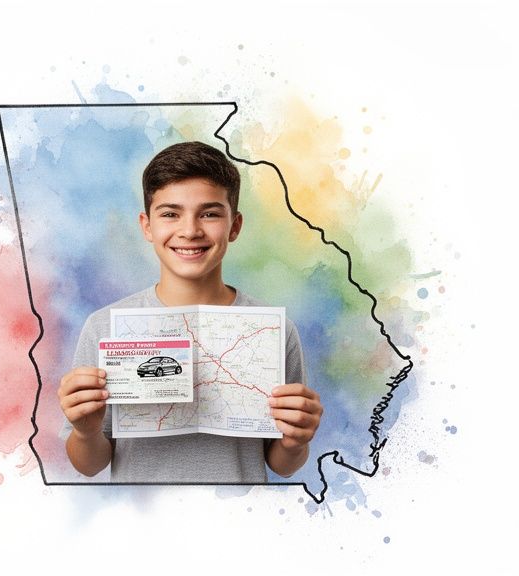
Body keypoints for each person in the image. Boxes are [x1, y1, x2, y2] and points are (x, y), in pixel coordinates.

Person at [57, 141, 323, 482]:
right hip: (140, 521)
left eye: (210, 213)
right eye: (170, 213)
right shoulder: (104, 327)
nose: (190, 230)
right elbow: (89, 464)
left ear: (235, 225)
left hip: (240, 519)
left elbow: (281, 463)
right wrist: (85, 432)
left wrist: (297, 439)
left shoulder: (273, 330)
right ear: (147, 226)